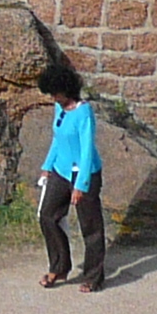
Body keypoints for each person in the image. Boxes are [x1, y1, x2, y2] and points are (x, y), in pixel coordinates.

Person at [32, 61, 105, 293]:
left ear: (66, 89)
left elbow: (86, 150)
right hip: (61, 171)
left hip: (84, 174)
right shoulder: (59, 108)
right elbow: (57, 138)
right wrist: (47, 165)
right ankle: (60, 266)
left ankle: (94, 276)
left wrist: (81, 185)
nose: (53, 97)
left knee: (90, 227)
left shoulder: (84, 112)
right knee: (47, 216)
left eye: (55, 92)